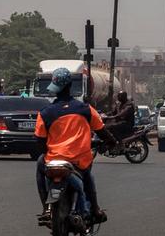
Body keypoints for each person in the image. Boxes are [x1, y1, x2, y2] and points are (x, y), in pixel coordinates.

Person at [33, 67, 111, 226]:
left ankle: (46, 209)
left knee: (40, 164)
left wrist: (48, 153)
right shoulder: (85, 109)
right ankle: (95, 208)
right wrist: (113, 143)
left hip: (53, 160)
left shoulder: (45, 113)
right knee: (88, 175)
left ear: (55, 89)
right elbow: (102, 131)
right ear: (70, 87)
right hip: (79, 160)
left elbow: (39, 141)